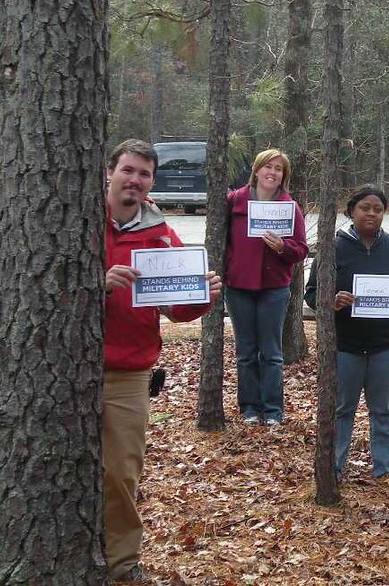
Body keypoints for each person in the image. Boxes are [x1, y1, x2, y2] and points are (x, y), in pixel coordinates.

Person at [103, 139, 222, 582]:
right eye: (128, 170)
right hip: (60, 372)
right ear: (110, 172)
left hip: (128, 372)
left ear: (152, 181)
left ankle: (121, 564)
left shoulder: (160, 234)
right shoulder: (72, 219)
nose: (134, 180)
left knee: (121, 475)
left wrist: (201, 297)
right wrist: (98, 282)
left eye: (144, 174)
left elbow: (176, 309)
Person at [304, 185, 389, 478]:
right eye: (364, 208)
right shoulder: (333, 248)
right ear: (351, 211)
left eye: (378, 209)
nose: (371, 213)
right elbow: (311, 293)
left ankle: (386, 468)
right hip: (346, 345)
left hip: (388, 344)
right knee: (342, 408)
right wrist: (332, 301)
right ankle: (333, 467)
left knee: (383, 410)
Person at [224, 149, 308, 426]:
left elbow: (301, 249)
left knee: (271, 353)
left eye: (279, 169)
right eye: (268, 167)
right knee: (246, 351)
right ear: (257, 170)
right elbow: (220, 241)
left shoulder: (289, 206)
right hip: (239, 286)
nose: (272, 172)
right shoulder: (235, 201)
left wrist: (283, 247)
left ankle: (273, 410)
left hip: (274, 288)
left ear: (284, 176)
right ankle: (249, 408)